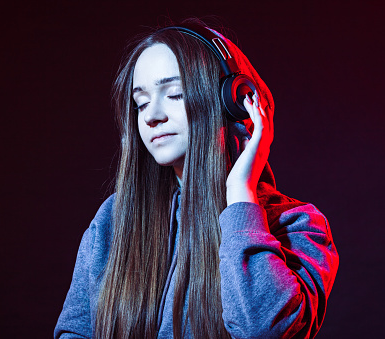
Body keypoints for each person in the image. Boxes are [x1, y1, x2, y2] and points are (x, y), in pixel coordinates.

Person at [54, 19, 339, 339]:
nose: (151, 116)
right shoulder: (113, 220)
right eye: (141, 102)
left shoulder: (298, 226)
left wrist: (240, 194)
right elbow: (74, 333)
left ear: (234, 102)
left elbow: (264, 330)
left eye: (174, 94)